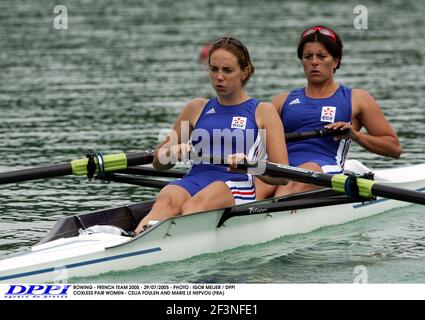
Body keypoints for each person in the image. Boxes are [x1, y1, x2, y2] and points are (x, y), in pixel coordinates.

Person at [135, 36, 288, 234]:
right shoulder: (196, 108)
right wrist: (172, 152)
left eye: (227, 70)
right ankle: (135, 238)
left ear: (245, 71)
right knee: (167, 198)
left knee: (195, 206)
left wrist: (250, 165)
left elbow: (283, 176)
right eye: (213, 69)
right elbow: (158, 161)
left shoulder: (263, 111)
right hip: (195, 179)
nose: (219, 77)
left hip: (235, 184)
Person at [256, 25, 402, 199]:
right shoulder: (282, 100)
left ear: (336, 61)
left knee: (291, 184)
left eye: (322, 56)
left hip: (322, 168)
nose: (314, 62)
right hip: (281, 166)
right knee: (251, 188)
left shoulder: (357, 99)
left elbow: (394, 148)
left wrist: (355, 135)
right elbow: (256, 144)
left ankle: (273, 216)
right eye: (308, 56)